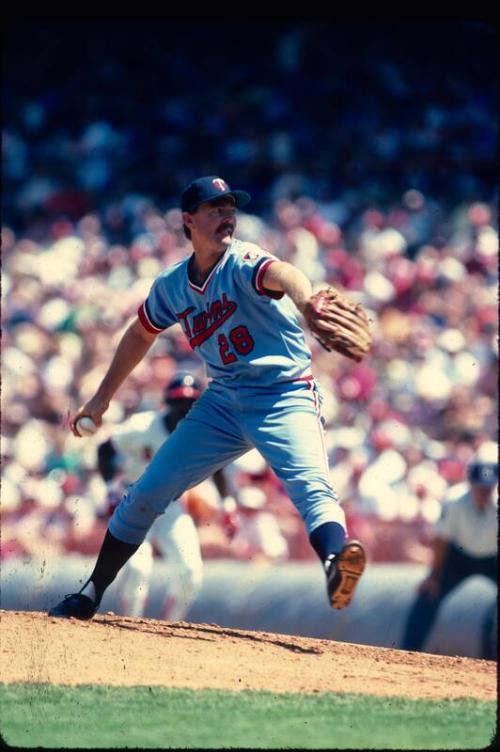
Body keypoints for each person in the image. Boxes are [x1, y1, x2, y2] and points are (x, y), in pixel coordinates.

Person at [49, 174, 366, 621]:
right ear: (188, 220)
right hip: (223, 402)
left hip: (284, 393)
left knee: (312, 487)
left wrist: (308, 298)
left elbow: (285, 274)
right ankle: (90, 592)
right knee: (145, 493)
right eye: (215, 208)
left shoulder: (243, 261)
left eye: (229, 207)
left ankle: (336, 562)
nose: (226, 215)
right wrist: (102, 398)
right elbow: (141, 332)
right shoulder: (172, 285)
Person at [96, 372, 234, 620]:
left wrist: (228, 504)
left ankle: (169, 630)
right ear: (168, 403)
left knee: (190, 571)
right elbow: (105, 449)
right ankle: (129, 630)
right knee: (138, 569)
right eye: (180, 402)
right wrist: (109, 488)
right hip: (135, 503)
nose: (185, 408)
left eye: (190, 403)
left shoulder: (199, 434)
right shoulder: (143, 426)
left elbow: (218, 469)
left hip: (171, 506)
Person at [401, 447, 498, 656]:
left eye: (488, 488)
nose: (484, 493)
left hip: (493, 558)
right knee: (428, 594)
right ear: (470, 483)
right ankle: (407, 653)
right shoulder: (455, 501)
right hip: (459, 557)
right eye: (480, 487)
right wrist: (434, 576)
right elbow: (442, 540)